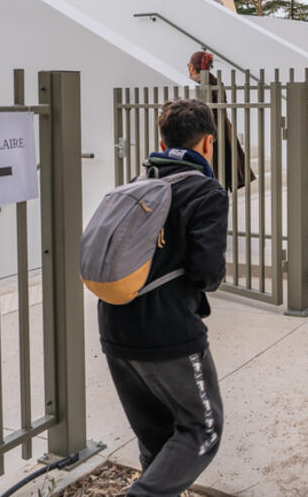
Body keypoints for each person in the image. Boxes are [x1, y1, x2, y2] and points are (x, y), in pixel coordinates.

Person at [99, 98, 229, 496]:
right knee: (202, 429)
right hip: (168, 330)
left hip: (115, 324)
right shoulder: (205, 192)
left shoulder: (136, 185)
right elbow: (208, 275)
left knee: (155, 438)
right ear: (208, 143)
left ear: (161, 140)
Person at [187, 50, 255, 189]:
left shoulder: (197, 86)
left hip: (209, 133)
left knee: (212, 174)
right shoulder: (215, 81)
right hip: (221, 129)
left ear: (192, 67)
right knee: (220, 173)